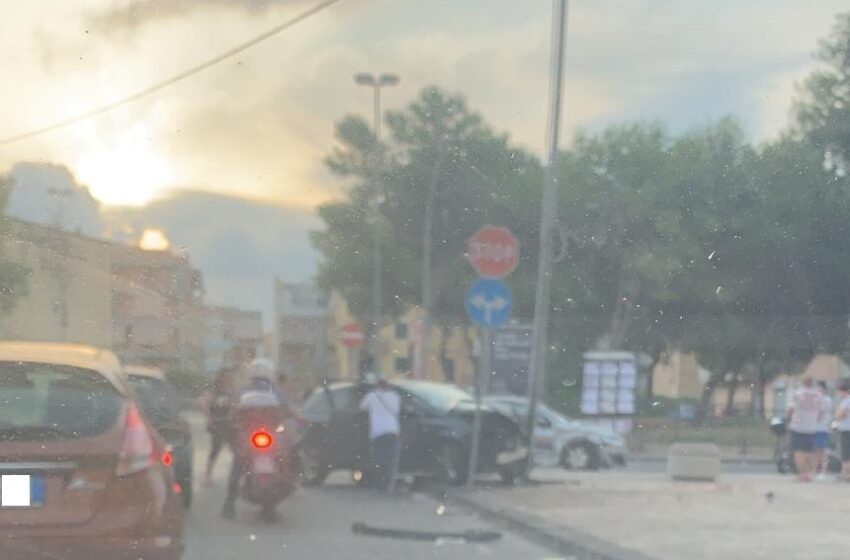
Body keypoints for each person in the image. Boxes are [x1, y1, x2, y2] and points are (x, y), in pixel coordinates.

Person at [222, 358, 289, 519]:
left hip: (250, 437)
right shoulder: (277, 390)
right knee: (283, 461)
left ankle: (229, 504)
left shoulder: (241, 390)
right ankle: (270, 505)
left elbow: (232, 413)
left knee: (237, 467)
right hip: (269, 436)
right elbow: (287, 410)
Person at [358, 375, 401, 493]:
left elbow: (361, 407)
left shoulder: (372, 396)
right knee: (390, 461)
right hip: (392, 431)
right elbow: (397, 410)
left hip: (377, 432)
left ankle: (380, 485)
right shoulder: (394, 396)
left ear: (377, 385)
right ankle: (388, 485)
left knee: (379, 460)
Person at [202, 368, 237, 486]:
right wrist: (209, 418)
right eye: (224, 377)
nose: (227, 380)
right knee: (215, 449)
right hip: (217, 423)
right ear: (220, 378)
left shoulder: (231, 391)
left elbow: (234, 406)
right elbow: (205, 404)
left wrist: (233, 417)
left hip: (229, 424)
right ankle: (208, 475)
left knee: (236, 449)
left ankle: (238, 475)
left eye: (229, 378)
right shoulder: (213, 390)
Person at [787, 377, 824, 482]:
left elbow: (791, 409)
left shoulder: (797, 393)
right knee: (809, 451)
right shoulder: (818, 395)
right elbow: (821, 411)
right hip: (811, 427)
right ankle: (809, 473)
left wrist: (789, 419)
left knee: (798, 451)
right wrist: (815, 421)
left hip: (798, 426)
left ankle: (802, 474)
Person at [813, 380, 833, 478]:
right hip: (818, 428)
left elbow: (819, 413)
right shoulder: (820, 399)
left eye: (818, 388)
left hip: (821, 428)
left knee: (822, 450)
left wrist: (813, 422)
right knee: (817, 450)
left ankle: (823, 471)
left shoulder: (825, 400)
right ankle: (818, 469)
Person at [834, 380, 850, 482]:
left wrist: (837, 416)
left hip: (846, 430)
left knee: (846, 453)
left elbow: (841, 415)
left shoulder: (846, 401)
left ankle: (845, 474)